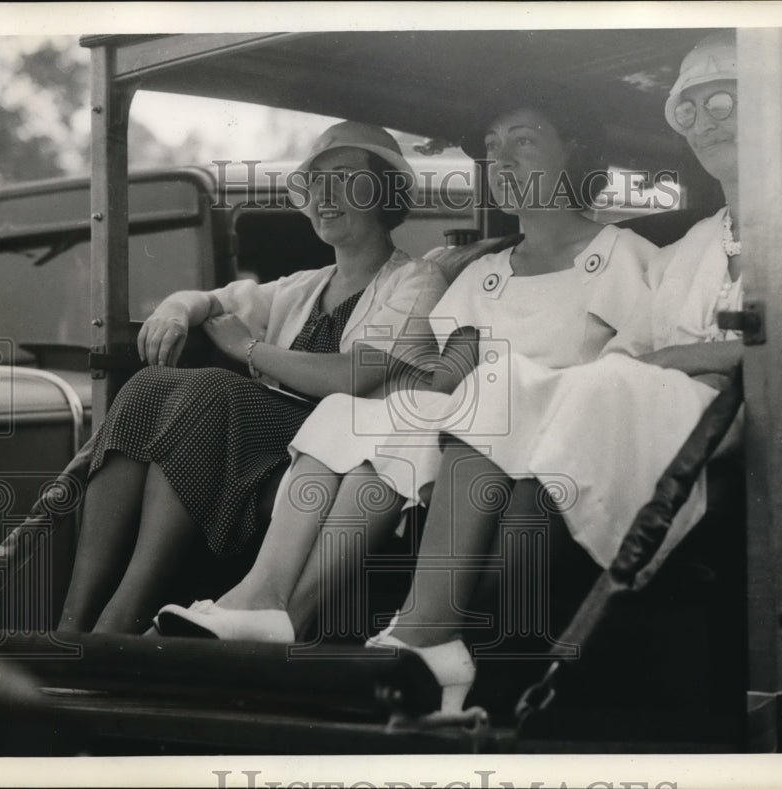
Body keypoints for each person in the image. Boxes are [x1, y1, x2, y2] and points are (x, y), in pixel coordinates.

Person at [343, 31, 782, 712]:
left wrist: (689, 356)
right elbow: (640, 358)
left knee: (600, 387)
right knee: (499, 381)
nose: (707, 121)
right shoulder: (693, 245)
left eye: (725, 99)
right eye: (690, 109)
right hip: (676, 419)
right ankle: (426, 629)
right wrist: (673, 361)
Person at [154, 102, 659, 669]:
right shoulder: (484, 272)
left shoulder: (627, 257)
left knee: (440, 404)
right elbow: (448, 378)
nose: (502, 161)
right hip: (472, 429)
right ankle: (262, 600)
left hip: (554, 435)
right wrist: (395, 391)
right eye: (493, 148)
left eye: (523, 142)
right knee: (350, 409)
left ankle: (283, 614)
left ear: (577, 151)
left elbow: (627, 380)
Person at [57, 121, 449, 634]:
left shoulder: (417, 280)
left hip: (339, 453)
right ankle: (72, 620)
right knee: (149, 386)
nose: (326, 196)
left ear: (385, 191)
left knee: (211, 391)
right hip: (257, 439)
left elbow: (353, 375)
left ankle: (119, 617)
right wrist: (176, 310)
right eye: (316, 183)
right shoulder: (304, 286)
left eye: (346, 179)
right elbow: (212, 301)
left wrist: (249, 349)